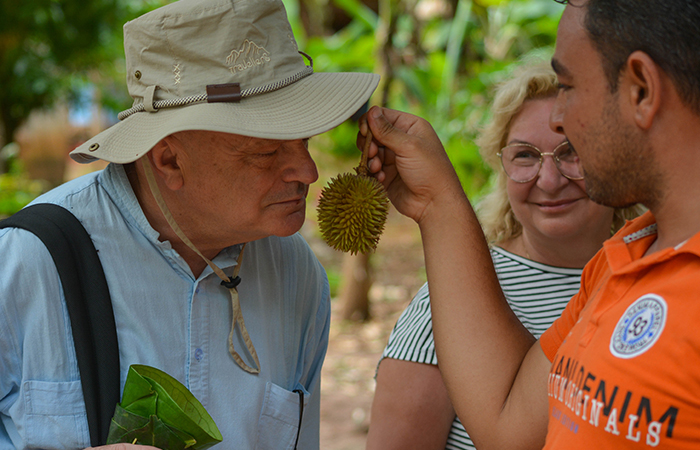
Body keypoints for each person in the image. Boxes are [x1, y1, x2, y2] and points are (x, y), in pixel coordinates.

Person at [0, 0, 379, 449]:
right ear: (169, 160)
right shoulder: (26, 262)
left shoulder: (298, 277)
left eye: (304, 141)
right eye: (266, 153)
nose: (308, 171)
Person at [357, 0, 700, 447]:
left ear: (641, 89)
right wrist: (436, 202)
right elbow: (507, 427)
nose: (560, 119)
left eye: (570, 86)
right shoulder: (623, 258)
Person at [365, 61, 642, 450]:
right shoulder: (456, 295)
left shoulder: (654, 274)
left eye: (572, 151)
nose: (549, 180)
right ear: (502, 169)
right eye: (525, 156)